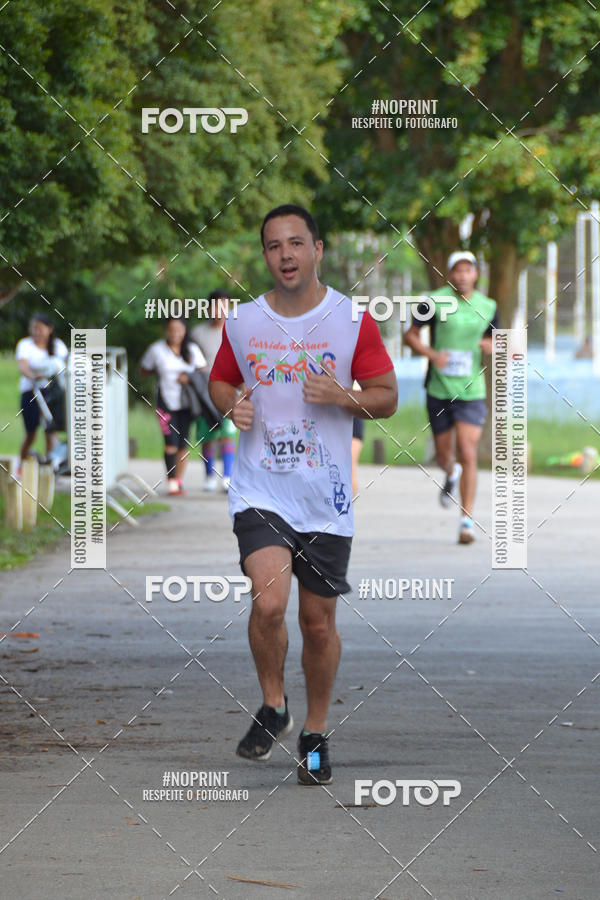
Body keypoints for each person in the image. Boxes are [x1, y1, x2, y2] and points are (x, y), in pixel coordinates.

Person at [209, 204, 397, 785]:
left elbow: (387, 395)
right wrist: (229, 405)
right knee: (268, 602)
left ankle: (313, 731)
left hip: (326, 497)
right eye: (273, 246)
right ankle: (273, 705)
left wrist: (344, 396)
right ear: (264, 256)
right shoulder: (243, 322)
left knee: (317, 624)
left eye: (296, 243)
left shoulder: (350, 321)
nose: (285, 254)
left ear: (317, 249)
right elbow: (221, 378)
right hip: (261, 488)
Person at [404, 250, 497, 544]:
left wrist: (492, 344)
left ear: (476, 274)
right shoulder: (433, 301)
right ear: (449, 274)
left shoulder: (489, 305)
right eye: (457, 270)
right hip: (439, 389)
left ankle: (466, 521)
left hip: (472, 391)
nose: (462, 276)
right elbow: (410, 335)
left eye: (468, 270)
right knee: (445, 455)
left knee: (468, 452)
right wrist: (432, 354)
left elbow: (499, 339)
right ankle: (450, 472)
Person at [140, 317, 206, 495]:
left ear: (185, 330)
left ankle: (178, 480)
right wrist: (159, 372)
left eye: (179, 329)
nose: (175, 333)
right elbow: (144, 369)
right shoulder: (157, 349)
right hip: (165, 403)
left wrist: (188, 377)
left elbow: (204, 370)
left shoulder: (192, 350)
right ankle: (171, 482)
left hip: (187, 403)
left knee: (183, 443)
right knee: (170, 443)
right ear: (166, 330)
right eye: (171, 329)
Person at [191, 289, 237, 492]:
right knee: (207, 435)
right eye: (216, 306)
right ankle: (209, 476)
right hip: (205, 391)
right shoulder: (197, 333)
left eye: (224, 306)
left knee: (227, 434)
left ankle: (227, 476)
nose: (220, 310)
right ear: (208, 308)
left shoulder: (236, 330)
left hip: (230, 389)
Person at [15, 313, 68, 469]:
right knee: (31, 433)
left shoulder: (58, 346)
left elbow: (65, 365)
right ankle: (22, 465)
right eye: (34, 329)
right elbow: (23, 366)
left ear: (49, 329)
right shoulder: (25, 345)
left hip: (53, 393)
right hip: (31, 393)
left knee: (51, 430)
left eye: (40, 329)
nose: (36, 332)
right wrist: (34, 376)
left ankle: (50, 466)